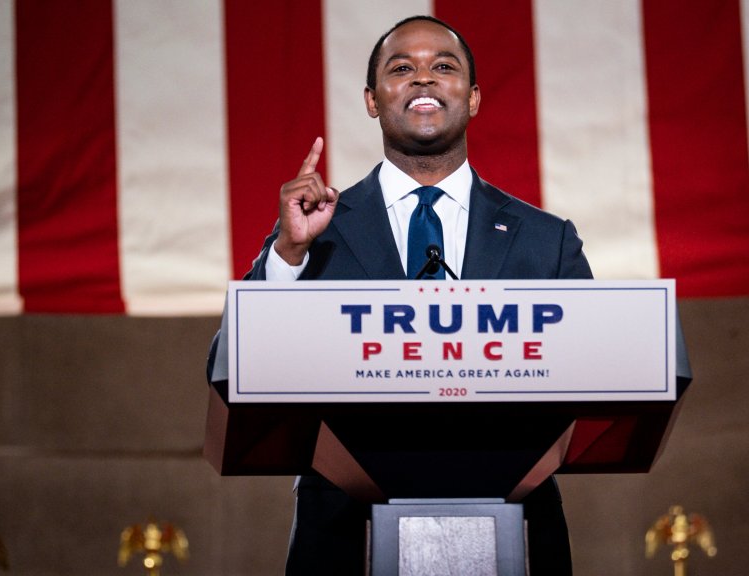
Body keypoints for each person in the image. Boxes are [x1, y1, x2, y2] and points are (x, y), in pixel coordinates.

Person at [210, 15, 592, 575]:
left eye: (444, 66)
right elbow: (229, 369)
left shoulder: (545, 240)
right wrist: (288, 254)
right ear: (372, 100)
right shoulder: (314, 232)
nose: (423, 78)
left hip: (516, 526)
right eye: (401, 68)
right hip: (342, 536)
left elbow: (595, 372)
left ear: (473, 98)